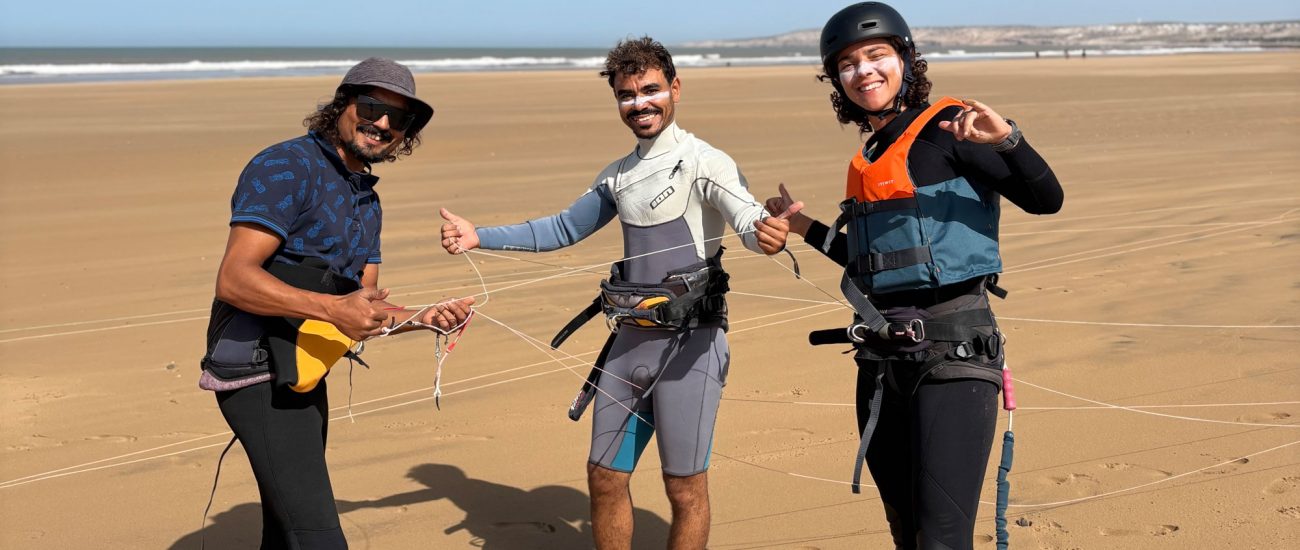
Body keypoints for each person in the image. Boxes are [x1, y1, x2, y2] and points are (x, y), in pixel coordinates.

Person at [439, 37, 791, 550]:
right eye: (627, 95)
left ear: (675, 88)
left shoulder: (705, 162)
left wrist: (767, 234)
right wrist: (479, 235)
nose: (639, 104)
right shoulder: (619, 176)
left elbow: (747, 220)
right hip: (627, 349)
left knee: (684, 488)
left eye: (650, 90)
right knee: (604, 478)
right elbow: (560, 229)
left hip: (690, 349)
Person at [765, 3, 1063, 549]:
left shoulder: (951, 129)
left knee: (942, 539)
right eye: (848, 64)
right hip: (880, 362)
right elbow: (870, 260)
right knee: (905, 530)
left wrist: (1006, 140)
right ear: (837, 80)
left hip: (954, 354)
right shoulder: (872, 155)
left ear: (905, 59)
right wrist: (803, 226)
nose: (864, 71)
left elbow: (1047, 199)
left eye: (877, 55)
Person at [200, 57, 475, 549]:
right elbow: (234, 279)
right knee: (319, 535)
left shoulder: (367, 198)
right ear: (342, 105)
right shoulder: (286, 166)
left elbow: (361, 309)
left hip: (306, 365)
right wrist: (332, 309)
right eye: (372, 106)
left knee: (286, 532)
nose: (384, 124)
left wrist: (424, 317)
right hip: (256, 369)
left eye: (400, 119)